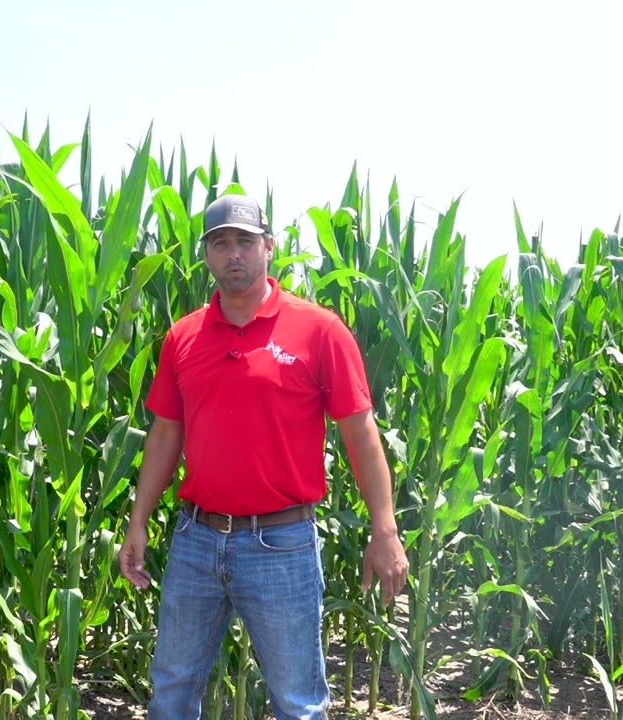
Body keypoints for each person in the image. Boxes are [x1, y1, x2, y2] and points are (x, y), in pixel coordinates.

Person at [118, 193, 409, 720]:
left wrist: (384, 530)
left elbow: (361, 433)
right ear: (206, 255)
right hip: (195, 541)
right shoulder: (184, 337)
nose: (234, 254)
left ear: (269, 248)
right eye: (221, 243)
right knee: (172, 693)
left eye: (245, 242)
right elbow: (165, 435)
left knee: (298, 704)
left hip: (281, 545)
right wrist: (138, 521)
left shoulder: (318, 330)